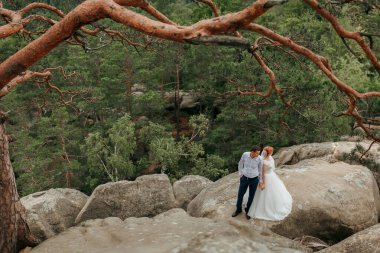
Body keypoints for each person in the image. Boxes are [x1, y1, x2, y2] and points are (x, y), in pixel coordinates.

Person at [247, 146, 292, 220]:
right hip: (266, 177)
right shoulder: (263, 161)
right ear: (269, 153)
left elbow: (272, 168)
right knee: (263, 194)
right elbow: (263, 173)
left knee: (274, 193)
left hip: (271, 175)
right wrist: (263, 183)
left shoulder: (270, 158)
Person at [232, 146, 263, 219]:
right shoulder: (245, 154)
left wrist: (260, 180)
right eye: (257, 153)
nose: (258, 155)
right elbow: (240, 163)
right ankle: (238, 210)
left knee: (251, 196)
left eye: (259, 153)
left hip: (254, 179)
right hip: (244, 178)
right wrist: (240, 173)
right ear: (252, 152)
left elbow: (260, 170)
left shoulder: (260, 158)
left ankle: (248, 210)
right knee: (240, 195)